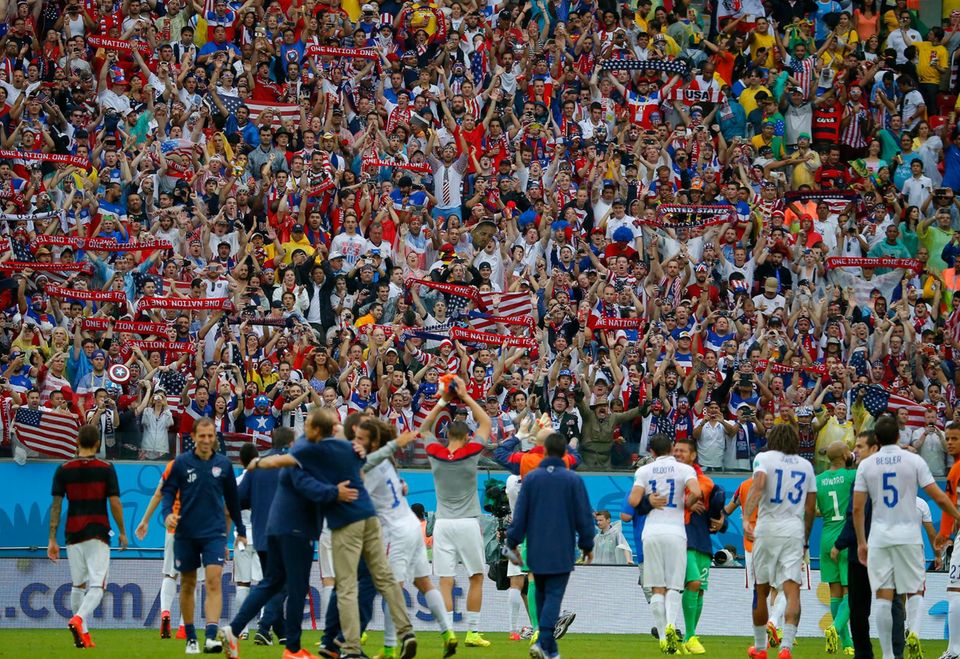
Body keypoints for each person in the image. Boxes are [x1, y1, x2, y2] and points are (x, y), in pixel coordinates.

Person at [222, 414, 361, 659]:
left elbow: (240, 497)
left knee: (272, 582)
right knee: (296, 588)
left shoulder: (304, 450)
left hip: (275, 528)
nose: (338, 432)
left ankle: (233, 630)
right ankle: (293, 649)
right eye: (334, 429)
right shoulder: (308, 452)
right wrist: (334, 492)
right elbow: (305, 484)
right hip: (296, 528)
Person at [853, 414, 960, 659]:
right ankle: (914, 630)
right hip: (909, 536)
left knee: (883, 595)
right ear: (899, 435)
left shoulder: (867, 465)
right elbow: (939, 497)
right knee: (914, 590)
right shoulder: (913, 461)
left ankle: (888, 655)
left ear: (876, 439)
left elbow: (858, 508)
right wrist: (957, 516)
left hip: (880, 537)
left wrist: (862, 541)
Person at [354, 418, 457, 658]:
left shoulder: (370, 467)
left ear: (373, 442)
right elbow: (399, 486)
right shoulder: (387, 462)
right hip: (412, 525)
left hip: (395, 532)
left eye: (360, 439)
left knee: (393, 588)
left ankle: (390, 647)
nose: (356, 443)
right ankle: (448, 633)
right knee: (424, 582)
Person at [160, 416, 247, 654]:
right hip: (186, 532)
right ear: (194, 437)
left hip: (214, 533)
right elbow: (167, 492)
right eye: (202, 436)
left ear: (215, 438)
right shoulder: (181, 463)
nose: (207, 440)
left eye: (210, 436)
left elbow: (233, 501)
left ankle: (210, 636)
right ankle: (190, 636)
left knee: (213, 580)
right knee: (187, 583)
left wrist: (240, 530)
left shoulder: (224, 465)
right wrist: (167, 513)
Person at [506, 431, 595, 659]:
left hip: (535, 546)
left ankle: (549, 649)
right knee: (554, 596)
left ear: (544, 451)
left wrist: (513, 542)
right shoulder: (572, 479)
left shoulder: (532, 478)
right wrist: (587, 545)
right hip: (562, 547)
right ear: (565, 452)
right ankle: (545, 642)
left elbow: (521, 515)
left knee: (540, 594)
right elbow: (583, 515)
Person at [419, 376, 494, 648]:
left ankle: (448, 631)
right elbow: (485, 422)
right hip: (467, 523)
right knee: (476, 576)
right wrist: (466, 397)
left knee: (446, 580)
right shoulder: (471, 452)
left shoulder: (435, 453)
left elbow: (424, 429)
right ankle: (472, 632)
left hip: (443, 524)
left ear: (448, 435)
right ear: (466, 437)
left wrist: (442, 401)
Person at [48, 424, 127, 649]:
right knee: (98, 585)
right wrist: (122, 531)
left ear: (76, 442)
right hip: (97, 532)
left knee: (78, 584)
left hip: (72, 533)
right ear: (97, 443)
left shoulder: (63, 469)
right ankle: (79, 619)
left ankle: (84, 636)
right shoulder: (106, 468)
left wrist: (52, 539)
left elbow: (56, 505)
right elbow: (115, 503)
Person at [743, 423, 816, 659]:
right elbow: (811, 507)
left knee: (761, 588)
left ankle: (760, 648)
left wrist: (746, 517)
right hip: (793, 528)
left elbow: (759, 485)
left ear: (772, 439)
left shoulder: (764, 458)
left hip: (767, 526)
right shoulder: (806, 466)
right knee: (792, 589)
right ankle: (786, 647)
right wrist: (805, 538)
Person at [628, 433, 701, 654]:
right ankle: (671, 625)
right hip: (676, 531)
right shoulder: (684, 469)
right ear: (671, 448)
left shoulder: (643, 471)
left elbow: (633, 501)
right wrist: (685, 504)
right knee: (675, 586)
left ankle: (662, 636)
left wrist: (649, 501)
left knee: (656, 587)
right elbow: (697, 492)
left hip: (651, 532)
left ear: (651, 452)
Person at [674, 437, 726, 655]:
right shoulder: (670, 478)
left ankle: (690, 635)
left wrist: (721, 519)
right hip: (681, 538)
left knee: (700, 590)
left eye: (682, 451)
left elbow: (717, 510)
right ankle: (689, 636)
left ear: (693, 455)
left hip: (703, 540)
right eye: (675, 451)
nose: (677, 454)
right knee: (693, 583)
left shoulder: (706, 482)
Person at [817, 441, 857, 655]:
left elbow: (815, 509)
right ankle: (835, 628)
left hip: (826, 536)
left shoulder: (819, 480)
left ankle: (847, 644)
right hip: (846, 539)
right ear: (844, 455)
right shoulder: (852, 476)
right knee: (852, 591)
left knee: (835, 592)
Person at [939, 422, 960, 659]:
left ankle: (954, 651)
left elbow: (948, 506)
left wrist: (943, 535)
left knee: (955, 589)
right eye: (948, 438)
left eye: (955, 438)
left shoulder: (956, 470)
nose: (950, 442)